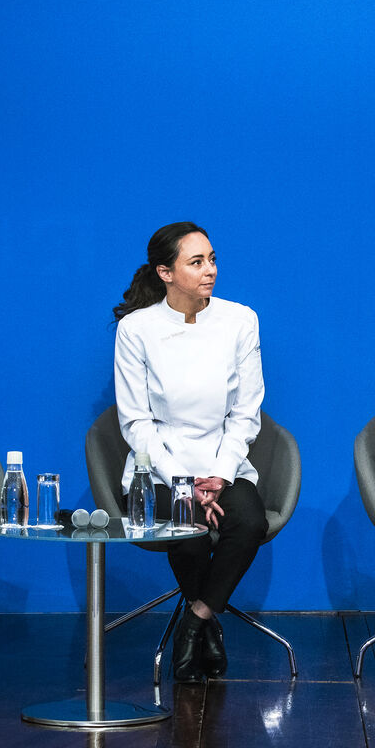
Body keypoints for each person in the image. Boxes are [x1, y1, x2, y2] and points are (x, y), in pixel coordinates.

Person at [112, 222, 267, 683]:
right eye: (196, 262)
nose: (210, 270)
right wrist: (184, 483)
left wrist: (219, 475)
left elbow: (246, 413)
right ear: (165, 272)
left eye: (212, 259)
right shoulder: (136, 329)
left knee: (249, 522)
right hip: (158, 470)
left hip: (223, 463)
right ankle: (209, 628)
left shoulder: (240, 320)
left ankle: (196, 619)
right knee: (190, 530)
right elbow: (136, 423)